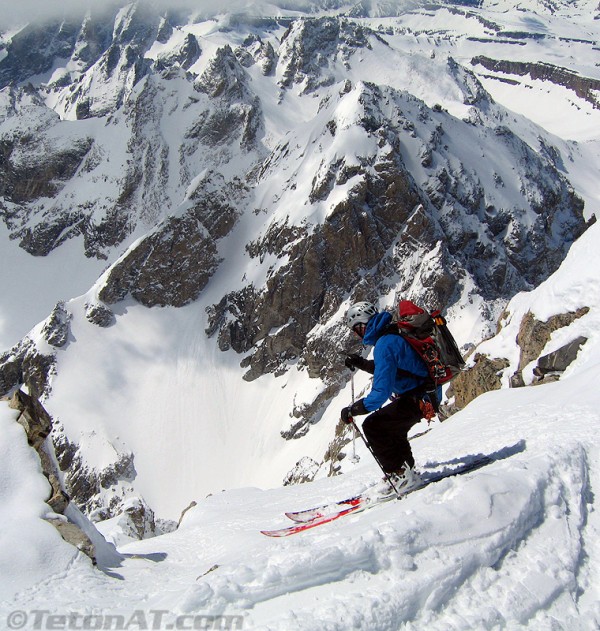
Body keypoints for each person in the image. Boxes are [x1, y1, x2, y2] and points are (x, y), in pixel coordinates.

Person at [340, 301, 438, 494]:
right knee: (393, 428)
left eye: (355, 329)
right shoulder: (391, 335)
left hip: (418, 398)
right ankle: (406, 469)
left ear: (362, 325)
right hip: (426, 395)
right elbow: (391, 368)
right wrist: (360, 363)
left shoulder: (384, 344)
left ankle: (399, 474)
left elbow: (380, 393)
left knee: (373, 425)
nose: (355, 334)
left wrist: (354, 410)